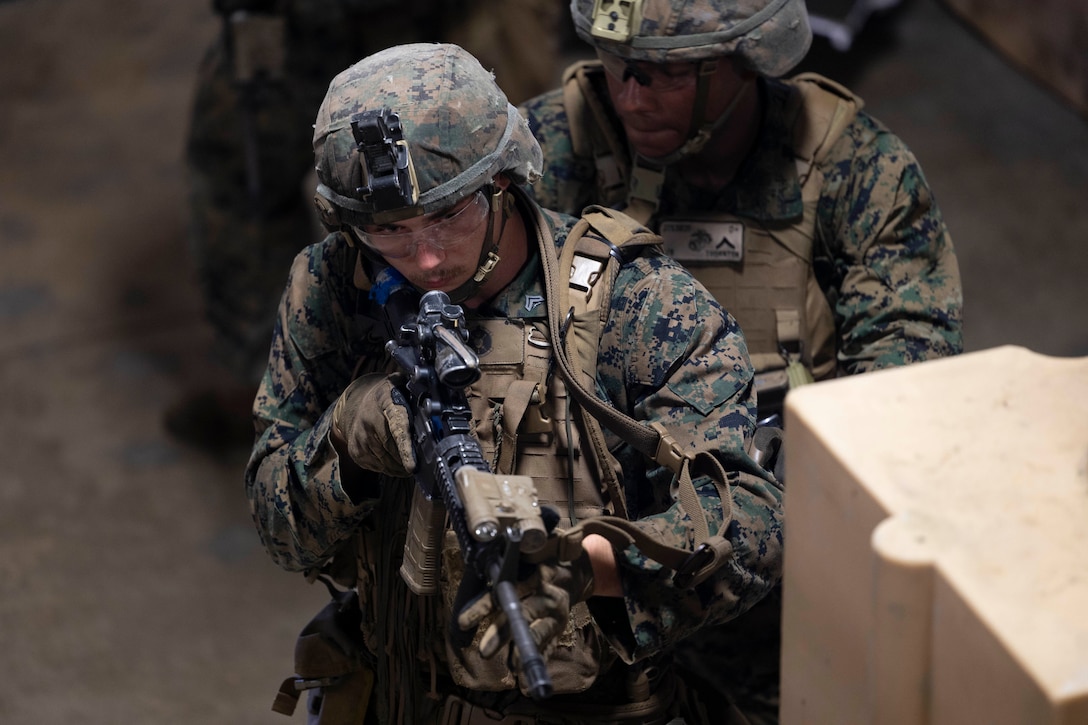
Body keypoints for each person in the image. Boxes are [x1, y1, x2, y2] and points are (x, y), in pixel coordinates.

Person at [246, 42, 785, 724]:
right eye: (389, 231)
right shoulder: (330, 288)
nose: (428, 257)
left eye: (449, 214)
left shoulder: (633, 305)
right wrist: (347, 440)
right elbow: (277, 527)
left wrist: (591, 564)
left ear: (504, 179)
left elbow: (755, 525)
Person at [517, 1, 965, 721]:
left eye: (663, 74)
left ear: (744, 56)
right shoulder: (549, 149)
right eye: (616, 63)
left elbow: (912, 382)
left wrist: (799, 473)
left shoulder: (851, 168)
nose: (629, 95)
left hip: (775, 581)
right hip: (584, 576)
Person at [169, 0, 569, 452]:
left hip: (450, 16)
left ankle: (529, 371)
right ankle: (275, 382)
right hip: (297, 22)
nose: (425, 253)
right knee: (242, 178)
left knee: (483, 173)